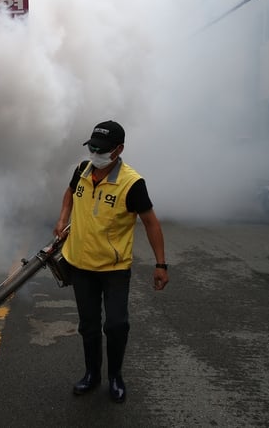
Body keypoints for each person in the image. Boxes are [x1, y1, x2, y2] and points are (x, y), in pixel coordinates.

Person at [53, 120, 169, 403]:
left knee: (116, 325)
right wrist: (63, 218)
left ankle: (115, 376)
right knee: (88, 325)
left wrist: (161, 264)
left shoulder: (132, 183)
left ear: (118, 150)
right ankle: (92, 374)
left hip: (114, 269)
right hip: (80, 266)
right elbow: (69, 194)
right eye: (92, 146)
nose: (95, 152)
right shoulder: (82, 170)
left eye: (101, 149)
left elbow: (151, 223)